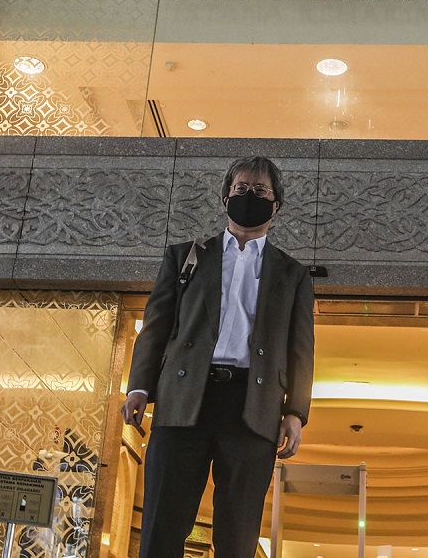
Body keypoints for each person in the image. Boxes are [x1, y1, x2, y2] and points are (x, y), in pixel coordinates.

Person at [120, 156, 315, 558]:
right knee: (162, 523)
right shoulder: (185, 257)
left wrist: (295, 412)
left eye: (261, 191)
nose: (249, 196)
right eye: (241, 188)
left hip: (253, 409)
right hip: (183, 400)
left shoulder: (293, 274)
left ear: (276, 204)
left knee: (238, 534)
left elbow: (300, 349)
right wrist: (139, 386)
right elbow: (156, 326)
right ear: (225, 195)